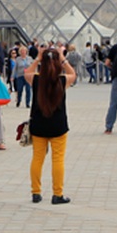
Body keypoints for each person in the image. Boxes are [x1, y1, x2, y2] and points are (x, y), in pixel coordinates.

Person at [25, 45, 76, 204]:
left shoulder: (36, 80)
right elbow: (73, 73)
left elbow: (26, 72)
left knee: (37, 158)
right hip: (58, 126)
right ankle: (57, 194)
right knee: (58, 159)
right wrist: (62, 58)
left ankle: (36, 192)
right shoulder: (62, 80)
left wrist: (38, 59)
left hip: (39, 125)